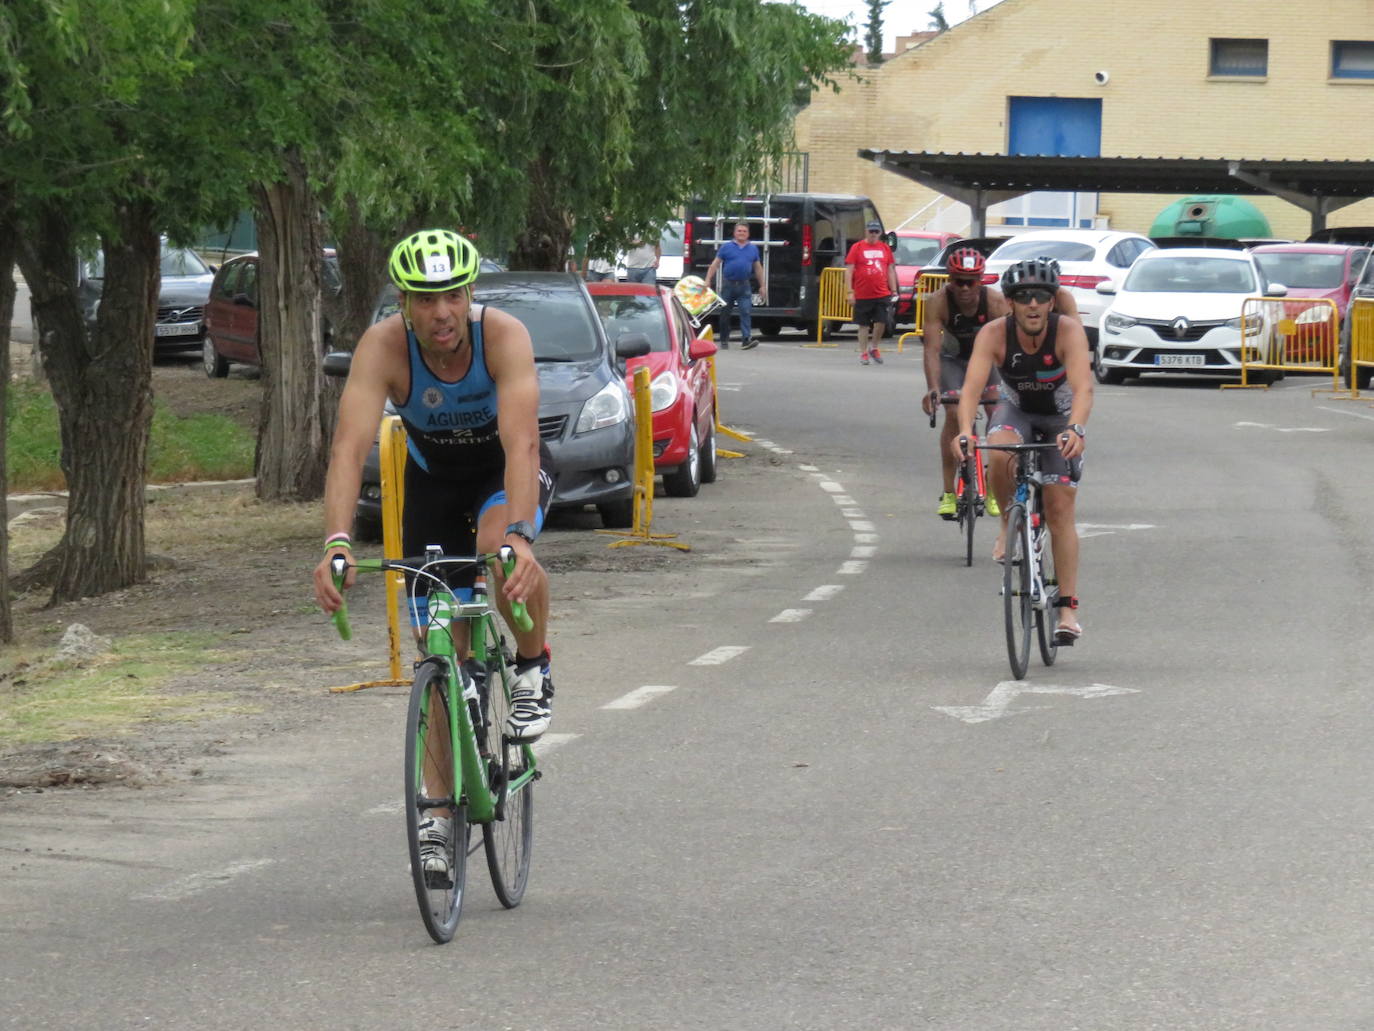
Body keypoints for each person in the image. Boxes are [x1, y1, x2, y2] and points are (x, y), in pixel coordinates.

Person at [312, 229, 556, 739]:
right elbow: (348, 449)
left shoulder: (503, 335)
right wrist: (336, 541)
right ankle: (439, 815)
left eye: (453, 295)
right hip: (433, 482)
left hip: (503, 471)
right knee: (441, 653)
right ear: (404, 303)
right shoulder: (383, 347)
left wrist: (520, 535)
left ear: (470, 296)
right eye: (426, 299)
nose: (442, 311)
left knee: (498, 549)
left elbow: (522, 446)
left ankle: (534, 669)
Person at [953, 256, 1094, 643]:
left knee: (1060, 509)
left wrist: (1076, 429)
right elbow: (971, 389)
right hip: (1016, 411)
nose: (1033, 304)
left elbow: (1083, 388)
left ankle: (1067, 609)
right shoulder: (994, 334)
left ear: (1052, 301)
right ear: (1011, 302)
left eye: (1041, 296)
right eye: (1023, 296)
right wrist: (965, 430)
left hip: (1059, 418)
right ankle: (1006, 526)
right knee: (998, 450)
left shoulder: (1068, 331)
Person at [845, 220, 898, 365]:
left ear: (880, 233)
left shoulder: (885, 248)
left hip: (881, 293)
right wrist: (850, 292)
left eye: (876, 232)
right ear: (866, 231)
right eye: (871, 231)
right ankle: (863, 352)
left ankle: (874, 347)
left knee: (881, 322)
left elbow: (890, 269)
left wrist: (893, 290)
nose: (873, 234)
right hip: (862, 293)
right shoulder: (857, 247)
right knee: (863, 325)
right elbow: (849, 271)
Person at [704, 221, 764, 350]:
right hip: (728, 285)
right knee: (725, 313)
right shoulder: (726, 247)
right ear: (735, 233)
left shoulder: (753, 249)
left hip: (744, 286)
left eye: (744, 231)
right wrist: (708, 279)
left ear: (748, 234)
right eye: (739, 231)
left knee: (745, 311)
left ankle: (746, 340)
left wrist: (762, 286)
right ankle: (724, 339)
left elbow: (758, 268)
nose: (741, 233)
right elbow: (715, 264)